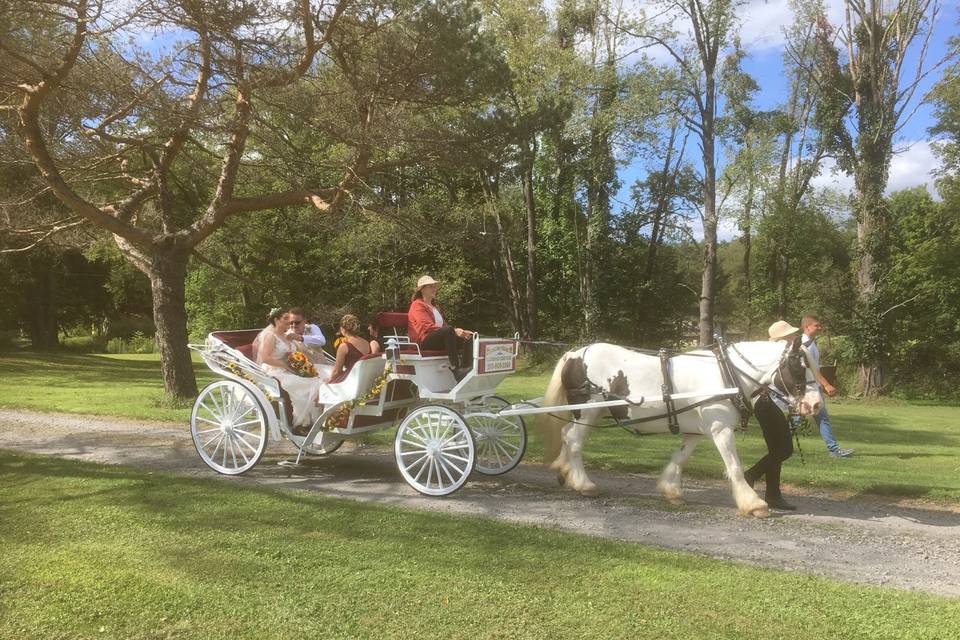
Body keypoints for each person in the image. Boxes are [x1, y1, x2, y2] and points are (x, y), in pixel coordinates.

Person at [743, 320, 803, 511]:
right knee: (784, 450)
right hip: (767, 403)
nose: (793, 336)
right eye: (790, 334)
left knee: (776, 450)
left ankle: (773, 494)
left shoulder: (784, 354)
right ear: (782, 338)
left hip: (772, 404)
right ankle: (750, 476)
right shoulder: (775, 356)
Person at [253, 307, 323, 430]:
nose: (289, 322)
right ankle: (301, 423)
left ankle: (312, 421)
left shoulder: (288, 336)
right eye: (286, 318)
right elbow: (265, 358)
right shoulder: (270, 336)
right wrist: (286, 365)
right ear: (276, 320)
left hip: (289, 370)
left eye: (289, 319)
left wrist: (300, 365)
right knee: (303, 385)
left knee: (316, 381)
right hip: (274, 370)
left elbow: (296, 354)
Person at [801, 314, 853, 458]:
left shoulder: (811, 343)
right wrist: (827, 385)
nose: (820, 328)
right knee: (815, 418)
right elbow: (812, 369)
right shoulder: (805, 345)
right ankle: (834, 450)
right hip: (809, 388)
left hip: (812, 386)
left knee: (800, 418)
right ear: (807, 327)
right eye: (816, 325)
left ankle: (779, 445)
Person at [407, 275, 474, 380]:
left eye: (434, 287)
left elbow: (444, 327)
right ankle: (456, 370)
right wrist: (454, 331)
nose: (434, 289)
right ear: (422, 289)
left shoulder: (435, 307)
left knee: (469, 337)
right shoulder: (417, 305)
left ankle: (467, 368)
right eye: (431, 287)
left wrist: (461, 332)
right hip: (424, 340)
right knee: (448, 330)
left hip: (438, 338)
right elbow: (426, 326)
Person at [327, 314, 377, 384]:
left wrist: (327, 382)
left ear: (342, 329)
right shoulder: (366, 342)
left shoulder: (344, 346)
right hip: (365, 379)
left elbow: (337, 372)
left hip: (351, 380)